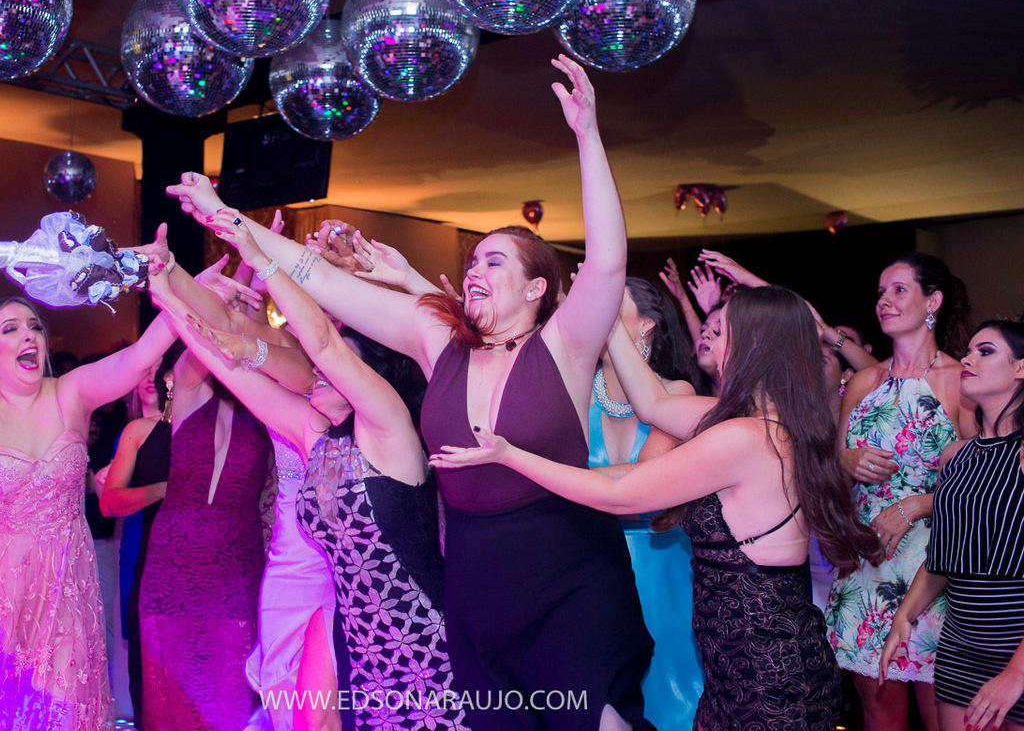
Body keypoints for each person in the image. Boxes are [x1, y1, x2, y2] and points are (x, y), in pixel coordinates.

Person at [169, 55, 653, 730]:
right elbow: (321, 280)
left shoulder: (563, 347)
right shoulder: (437, 341)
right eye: (473, 257)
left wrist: (588, 134)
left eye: (494, 261)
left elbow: (607, 261)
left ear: (537, 288)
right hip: (478, 590)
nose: (475, 269)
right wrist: (228, 219)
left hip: (569, 577)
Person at [432, 286, 882, 730]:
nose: (710, 338)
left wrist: (511, 457)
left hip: (767, 671)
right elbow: (655, 404)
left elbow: (621, 493)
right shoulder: (756, 422)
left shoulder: (745, 437)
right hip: (738, 663)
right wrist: (603, 316)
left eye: (723, 330)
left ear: (755, 346)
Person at [147, 221, 464, 731]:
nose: (315, 374)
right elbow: (228, 369)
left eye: (330, 370)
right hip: (353, 626)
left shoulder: (390, 429)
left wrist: (260, 254)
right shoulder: (316, 436)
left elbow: (323, 345)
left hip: (419, 626)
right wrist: (166, 295)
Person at [0, 295, 176, 730]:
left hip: (63, 588)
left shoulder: (72, 391)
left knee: (60, 711)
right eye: (10, 328)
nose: (29, 334)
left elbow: (143, 354)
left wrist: (183, 289)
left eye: (34, 326)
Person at [825, 252, 977, 731]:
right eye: (880, 292)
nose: (884, 301)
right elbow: (828, 470)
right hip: (869, 560)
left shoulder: (961, 382)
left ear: (933, 301)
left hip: (938, 565)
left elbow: (988, 482)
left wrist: (918, 504)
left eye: (898, 290)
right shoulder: (865, 382)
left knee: (943, 714)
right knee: (879, 711)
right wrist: (843, 459)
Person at [880, 319, 1024, 731]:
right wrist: (902, 619)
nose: (968, 357)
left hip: (1016, 645)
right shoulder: (957, 459)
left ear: (1021, 368)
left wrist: (1016, 674)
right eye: (969, 350)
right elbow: (944, 556)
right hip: (960, 648)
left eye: (986, 351)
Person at [136, 346, 273, 731]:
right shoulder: (188, 393)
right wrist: (233, 285)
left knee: (231, 698)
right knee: (172, 701)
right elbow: (194, 352)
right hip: (172, 564)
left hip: (236, 567)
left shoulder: (267, 407)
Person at [590, 278, 703, 730]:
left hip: (663, 564)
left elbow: (645, 489)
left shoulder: (677, 395)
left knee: (672, 692)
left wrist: (554, 483)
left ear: (649, 323)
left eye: (609, 305)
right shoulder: (575, 392)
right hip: (592, 563)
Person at [98, 354, 176, 721]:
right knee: (146, 659)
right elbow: (110, 499)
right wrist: (163, 489)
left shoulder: (223, 427)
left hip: (213, 566)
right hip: (144, 548)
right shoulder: (136, 432)